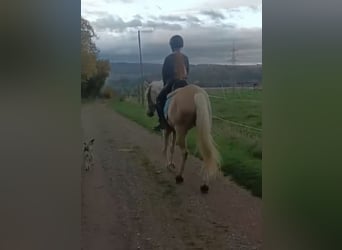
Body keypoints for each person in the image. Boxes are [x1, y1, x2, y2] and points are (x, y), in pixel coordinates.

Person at [154, 35, 190, 131]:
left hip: (172, 83)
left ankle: (162, 123)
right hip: (185, 83)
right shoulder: (185, 58)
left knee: (158, 100)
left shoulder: (169, 58)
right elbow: (188, 71)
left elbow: (165, 75)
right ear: (181, 45)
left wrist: (166, 85)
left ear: (171, 45)